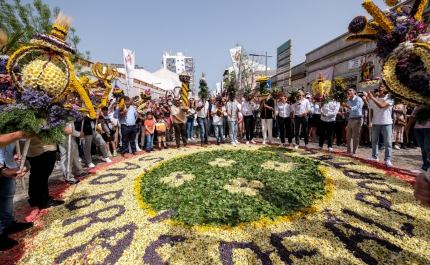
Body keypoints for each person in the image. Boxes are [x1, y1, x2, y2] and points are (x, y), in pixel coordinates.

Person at [0, 142, 33, 251]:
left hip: (8, 163)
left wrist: (18, 155)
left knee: (7, 194)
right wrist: (2, 170)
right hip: (3, 167)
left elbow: (22, 141)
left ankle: (7, 224)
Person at [364, 84, 394, 167]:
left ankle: (387, 159)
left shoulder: (389, 98)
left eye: (382, 86)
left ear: (386, 89)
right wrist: (370, 122)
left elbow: (382, 106)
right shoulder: (374, 99)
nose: (380, 88)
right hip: (376, 123)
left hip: (386, 123)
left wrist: (372, 98)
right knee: (374, 141)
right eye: (379, 86)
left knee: (387, 142)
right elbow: (371, 111)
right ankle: (374, 156)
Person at [407, 106, 430, 174]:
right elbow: (413, 115)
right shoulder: (419, 103)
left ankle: (427, 168)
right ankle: (424, 167)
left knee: (428, 148)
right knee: (423, 148)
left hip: (428, 128)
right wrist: (408, 125)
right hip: (418, 127)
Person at [344, 87, 363, 156]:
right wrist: (346, 110)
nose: (349, 92)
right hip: (351, 118)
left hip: (358, 119)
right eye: (348, 90)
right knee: (348, 135)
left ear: (354, 91)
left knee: (355, 136)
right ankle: (349, 150)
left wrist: (348, 107)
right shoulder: (349, 100)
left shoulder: (358, 99)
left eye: (350, 90)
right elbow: (350, 110)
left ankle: (354, 152)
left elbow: (356, 108)